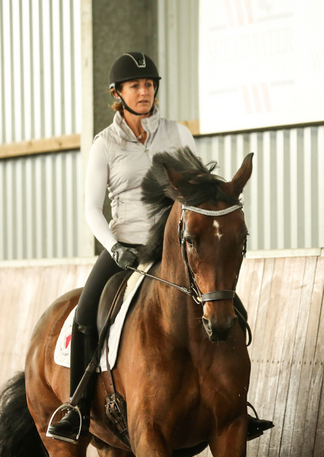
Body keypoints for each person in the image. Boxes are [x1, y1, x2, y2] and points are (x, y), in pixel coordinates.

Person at [47, 52, 273, 444]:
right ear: (118, 93)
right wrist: (114, 247)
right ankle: (77, 407)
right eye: (135, 86)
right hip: (127, 248)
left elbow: (197, 194)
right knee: (86, 313)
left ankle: (235, 406)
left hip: (177, 248)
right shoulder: (105, 144)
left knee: (228, 304)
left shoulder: (178, 135)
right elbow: (90, 208)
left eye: (149, 85)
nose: (144, 92)